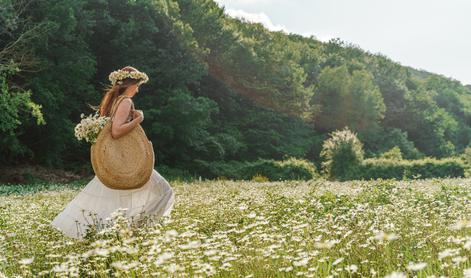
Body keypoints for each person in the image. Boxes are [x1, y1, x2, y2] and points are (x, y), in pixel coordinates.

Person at [51, 66, 175, 240]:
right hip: (128, 162)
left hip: (119, 160)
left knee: (117, 198)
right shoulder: (125, 101)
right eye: (137, 85)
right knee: (165, 191)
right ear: (131, 83)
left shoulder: (116, 101)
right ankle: (141, 232)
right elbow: (116, 131)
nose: (138, 89)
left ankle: (124, 233)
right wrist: (139, 119)